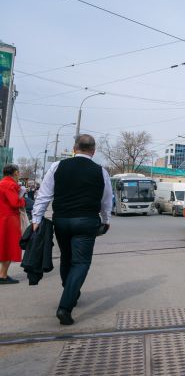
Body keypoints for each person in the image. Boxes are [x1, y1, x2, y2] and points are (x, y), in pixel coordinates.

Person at [32, 134, 113, 325]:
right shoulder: (100, 171)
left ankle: (71, 291)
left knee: (67, 258)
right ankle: (65, 307)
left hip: (61, 221)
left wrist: (36, 218)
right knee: (81, 263)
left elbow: (44, 194)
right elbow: (106, 199)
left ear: (74, 148)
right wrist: (106, 219)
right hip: (86, 222)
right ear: (93, 151)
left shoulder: (57, 166)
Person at [0, 164, 26, 284]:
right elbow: (15, 203)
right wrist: (22, 199)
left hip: (3, 217)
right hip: (9, 219)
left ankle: (3, 274)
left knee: (3, 246)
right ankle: (3, 275)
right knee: (9, 246)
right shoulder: (10, 185)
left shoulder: (2, 182)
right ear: (15, 172)